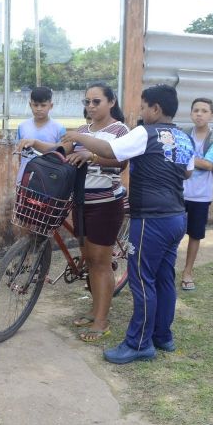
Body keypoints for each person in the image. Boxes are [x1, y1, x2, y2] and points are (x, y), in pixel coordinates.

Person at [63, 84, 195, 364]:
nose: (142, 111)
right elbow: (187, 171)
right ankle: (163, 336)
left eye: (145, 106)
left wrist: (78, 136)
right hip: (176, 216)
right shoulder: (183, 137)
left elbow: (110, 149)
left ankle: (138, 345)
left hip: (151, 219)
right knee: (163, 278)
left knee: (141, 280)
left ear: (156, 109)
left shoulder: (145, 133)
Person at [62, 82, 129, 343]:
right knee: (90, 260)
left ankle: (102, 321)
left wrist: (91, 156)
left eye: (96, 101)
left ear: (111, 102)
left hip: (105, 204)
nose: (90, 106)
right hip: (81, 202)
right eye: (87, 102)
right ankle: (94, 310)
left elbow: (121, 161)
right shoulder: (82, 130)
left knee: (100, 263)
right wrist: (35, 144)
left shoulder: (120, 130)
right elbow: (60, 148)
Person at [179, 98, 213, 291]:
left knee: (195, 235)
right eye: (196, 110)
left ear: (211, 115)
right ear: (190, 113)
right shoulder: (183, 133)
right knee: (172, 232)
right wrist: (198, 160)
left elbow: (209, 165)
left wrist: (187, 157)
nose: (199, 114)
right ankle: (165, 269)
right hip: (179, 192)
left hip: (201, 196)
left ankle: (188, 271)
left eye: (204, 111)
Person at [13, 86, 66, 178]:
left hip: (49, 178)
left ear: (51, 105)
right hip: (25, 178)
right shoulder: (22, 127)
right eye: (35, 105)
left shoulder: (59, 128)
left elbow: (62, 152)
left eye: (43, 105)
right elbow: (19, 155)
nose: (39, 109)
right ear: (30, 105)